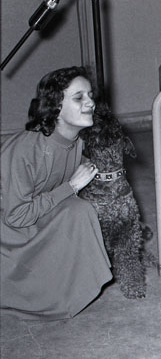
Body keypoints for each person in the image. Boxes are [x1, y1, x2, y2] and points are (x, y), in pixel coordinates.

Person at [1, 66, 112, 320]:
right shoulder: (27, 149)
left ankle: (64, 289)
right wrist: (71, 187)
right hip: (8, 229)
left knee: (80, 211)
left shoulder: (77, 142)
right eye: (79, 97)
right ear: (55, 108)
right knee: (75, 208)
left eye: (90, 95)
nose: (90, 103)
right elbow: (16, 216)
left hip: (31, 215)